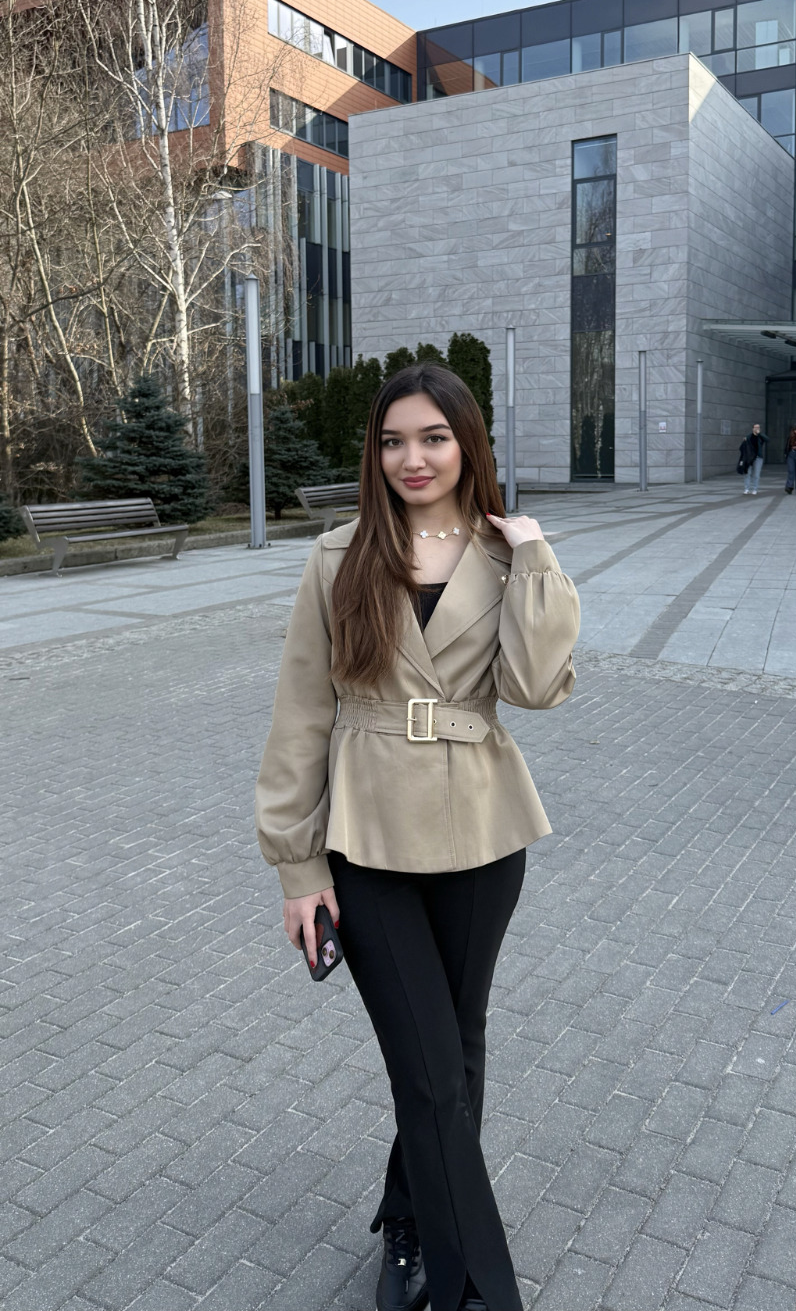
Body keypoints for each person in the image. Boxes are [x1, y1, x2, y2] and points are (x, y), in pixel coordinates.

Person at [255, 363, 580, 1311]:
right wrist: (297, 867)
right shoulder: (339, 557)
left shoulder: (507, 556)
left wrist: (535, 553)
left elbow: (536, 688)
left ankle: (407, 1213)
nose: (413, 458)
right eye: (394, 440)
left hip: (483, 832)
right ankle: (471, 1285)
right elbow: (299, 718)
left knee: (457, 1054)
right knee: (430, 1071)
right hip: (367, 841)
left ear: (467, 444)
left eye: (434, 437)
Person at [738, 422, 768, 495]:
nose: (757, 428)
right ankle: (746, 489)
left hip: (758, 458)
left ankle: (755, 489)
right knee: (747, 473)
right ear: (753, 428)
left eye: (758, 427)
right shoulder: (748, 436)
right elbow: (742, 447)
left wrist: (759, 434)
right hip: (749, 458)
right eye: (755, 427)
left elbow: (767, 439)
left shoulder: (761, 437)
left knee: (756, 475)